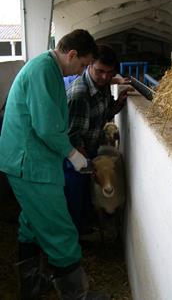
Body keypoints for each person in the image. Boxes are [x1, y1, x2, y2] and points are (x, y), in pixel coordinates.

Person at [0, 29, 110, 300]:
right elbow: (47, 127)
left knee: (32, 222)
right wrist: (75, 156)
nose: (82, 70)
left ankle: (31, 282)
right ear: (71, 54)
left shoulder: (45, 67)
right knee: (60, 228)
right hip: (30, 163)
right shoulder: (44, 70)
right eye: (83, 64)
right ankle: (77, 294)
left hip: (28, 159)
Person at [64, 44, 132, 236]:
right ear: (89, 65)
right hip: (74, 157)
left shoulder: (102, 86)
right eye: (99, 71)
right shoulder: (80, 94)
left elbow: (105, 113)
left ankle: (86, 227)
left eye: (109, 72)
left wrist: (119, 102)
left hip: (89, 152)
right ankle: (75, 238)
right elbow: (72, 139)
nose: (104, 76)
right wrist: (90, 165)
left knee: (87, 195)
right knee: (75, 199)